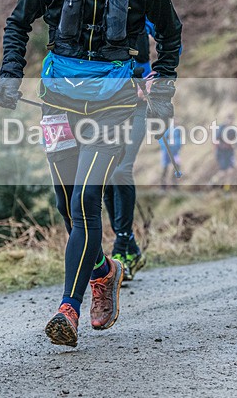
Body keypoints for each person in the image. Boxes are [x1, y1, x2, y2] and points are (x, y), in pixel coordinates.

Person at [0, 0, 182, 348]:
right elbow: (18, 23)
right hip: (58, 102)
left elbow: (171, 35)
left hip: (113, 106)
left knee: (84, 200)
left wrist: (161, 85)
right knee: (66, 205)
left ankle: (67, 309)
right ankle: (104, 272)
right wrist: (9, 74)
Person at [102, 20, 155, 282]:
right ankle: (132, 249)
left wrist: (156, 78)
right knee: (109, 175)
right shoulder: (100, 0)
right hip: (108, 103)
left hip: (137, 104)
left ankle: (121, 249)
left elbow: (171, 37)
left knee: (122, 169)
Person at [213, 113, 237, 190]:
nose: (230, 121)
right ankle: (212, 182)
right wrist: (223, 145)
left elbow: (236, 140)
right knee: (223, 173)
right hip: (221, 153)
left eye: (231, 120)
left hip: (229, 153)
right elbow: (215, 140)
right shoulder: (221, 128)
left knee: (230, 171)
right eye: (229, 119)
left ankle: (226, 189)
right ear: (226, 119)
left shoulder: (233, 130)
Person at [159, 118, 183, 190]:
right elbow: (161, 140)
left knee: (177, 166)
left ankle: (174, 184)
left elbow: (179, 141)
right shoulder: (167, 130)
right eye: (175, 121)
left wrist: (178, 145)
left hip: (175, 153)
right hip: (167, 152)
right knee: (165, 168)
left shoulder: (178, 130)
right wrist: (169, 144)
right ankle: (163, 186)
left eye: (177, 121)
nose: (176, 122)